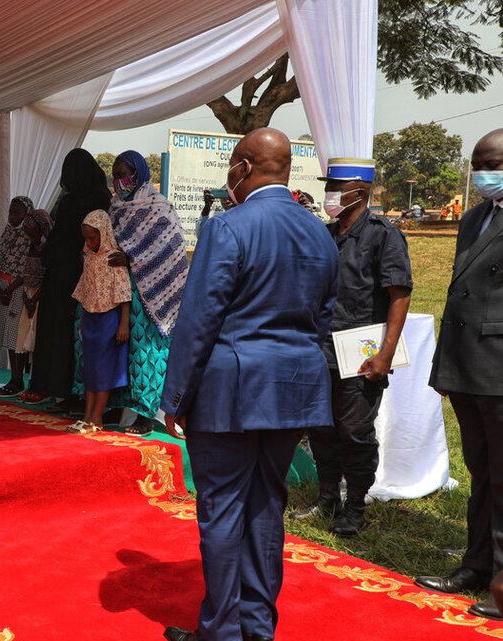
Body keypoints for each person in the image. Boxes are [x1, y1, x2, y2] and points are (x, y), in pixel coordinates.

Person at [160, 128, 338, 641]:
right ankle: (258, 628)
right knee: (266, 507)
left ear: (241, 167)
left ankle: (221, 631)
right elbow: (325, 316)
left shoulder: (227, 227)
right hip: (293, 390)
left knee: (222, 511)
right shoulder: (319, 233)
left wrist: (176, 396)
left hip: (230, 392)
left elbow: (199, 319)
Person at [295, 159, 412, 537]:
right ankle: (328, 496)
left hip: (360, 354)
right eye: (328, 185)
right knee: (321, 428)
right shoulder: (326, 234)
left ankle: (356, 506)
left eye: (336, 187)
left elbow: (399, 296)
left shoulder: (383, 236)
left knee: (355, 431)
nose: (329, 193)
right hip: (321, 350)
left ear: (358, 192)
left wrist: (386, 354)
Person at [416, 128, 503, 620]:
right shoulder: (474, 218)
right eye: (478, 165)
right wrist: (445, 367)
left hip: (500, 369)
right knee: (482, 473)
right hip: (468, 367)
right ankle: (476, 565)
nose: (482, 174)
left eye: (492, 164)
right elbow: (458, 296)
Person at [18, 149, 111, 406]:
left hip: (82, 274)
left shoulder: (99, 199)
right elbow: (58, 232)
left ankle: (69, 391)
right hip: (58, 273)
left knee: (69, 334)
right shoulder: (68, 199)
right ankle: (46, 385)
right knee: (50, 329)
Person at [106, 151, 188, 436]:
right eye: (115, 175)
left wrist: (132, 259)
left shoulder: (159, 207)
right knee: (120, 350)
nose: (118, 181)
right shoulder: (116, 208)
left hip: (153, 293)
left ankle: (145, 413)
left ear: (138, 173)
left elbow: (170, 250)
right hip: (121, 290)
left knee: (146, 351)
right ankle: (117, 406)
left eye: (123, 174)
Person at [66, 210, 130, 434]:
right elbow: (84, 290)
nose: (89, 243)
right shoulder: (89, 258)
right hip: (90, 318)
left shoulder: (114, 258)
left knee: (104, 369)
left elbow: (124, 294)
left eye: (92, 238)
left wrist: (123, 324)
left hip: (108, 320)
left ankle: (97, 418)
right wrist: (83, 321)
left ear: (103, 233)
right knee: (90, 369)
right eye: (86, 239)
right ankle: (87, 416)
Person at [0, 195, 34, 396]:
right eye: (10, 212)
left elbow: (27, 268)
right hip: (4, 288)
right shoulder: (7, 232)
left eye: (17, 212)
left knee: (16, 337)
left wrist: (11, 287)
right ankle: (12, 378)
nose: (12, 216)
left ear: (27, 214)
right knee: (7, 333)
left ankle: (18, 379)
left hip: (18, 290)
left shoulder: (29, 236)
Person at [15, 208, 52, 363]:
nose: (31, 238)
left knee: (36, 337)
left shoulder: (48, 250)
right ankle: (17, 376)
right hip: (27, 295)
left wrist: (34, 298)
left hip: (41, 297)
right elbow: (25, 274)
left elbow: (48, 277)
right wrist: (26, 297)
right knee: (22, 337)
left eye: (33, 234)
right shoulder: (29, 247)